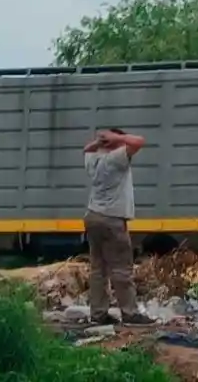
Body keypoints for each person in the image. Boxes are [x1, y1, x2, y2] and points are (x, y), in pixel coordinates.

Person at [83, 127, 154, 325]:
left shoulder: (93, 159)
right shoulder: (115, 159)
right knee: (121, 268)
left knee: (98, 269)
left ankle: (98, 314)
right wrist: (117, 138)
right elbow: (139, 141)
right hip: (112, 219)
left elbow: (86, 149)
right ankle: (130, 313)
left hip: (92, 215)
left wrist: (99, 142)